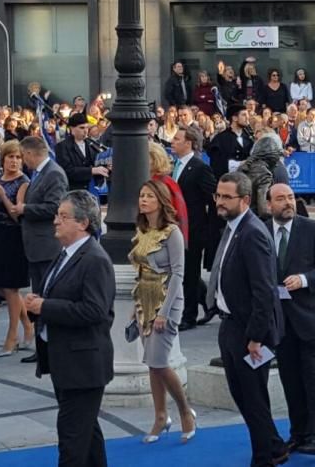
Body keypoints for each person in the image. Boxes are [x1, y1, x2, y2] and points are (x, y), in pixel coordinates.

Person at [26, 190, 115, 467]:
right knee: (86, 434)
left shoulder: (94, 260)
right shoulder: (65, 254)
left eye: (63, 217)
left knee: (72, 441)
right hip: (66, 360)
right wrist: (36, 305)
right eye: (57, 215)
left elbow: (95, 311)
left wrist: (45, 307)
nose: (56, 221)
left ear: (83, 223)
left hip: (83, 365)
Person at [209, 171, 289, 466]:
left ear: (244, 199)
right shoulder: (232, 227)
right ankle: (275, 445)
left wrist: (256, 337)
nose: (219, 201)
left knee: (253, 398)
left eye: (226, 197)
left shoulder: (253, 232)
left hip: (249, 331)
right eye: (218, 195)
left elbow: (264, 291)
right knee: (241, 394)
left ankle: (263, 457)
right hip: (230, 323)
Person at [266, 183, 315, 455]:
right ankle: (298, 433)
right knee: (291, 380)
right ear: (268, 205)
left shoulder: (313, 229)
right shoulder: (262, 231)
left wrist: (305, 279)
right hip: (281, 323)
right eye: (280, 199)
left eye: (290, 198)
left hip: (313, 319)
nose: (287, 203)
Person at [130, 180, 196, 444]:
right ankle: (160, 416)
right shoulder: (141, 230)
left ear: (160, 200)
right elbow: (139, 270)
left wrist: (164, 312)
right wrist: (134, 310)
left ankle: (184, 410)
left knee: (158, 361)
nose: (143, 200)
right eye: (141, 195)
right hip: (143, 300)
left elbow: (179, 273)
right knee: (151, 362)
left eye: (148, 196)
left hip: (167, 300)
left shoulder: (172, 233)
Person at [18, 136, 69, 364]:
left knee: (45, 297)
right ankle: (42, 347)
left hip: (47, 246)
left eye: (23, 155)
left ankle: (48, 347)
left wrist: (26, 208)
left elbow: (54, 207)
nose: (22, 160)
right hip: (36, 246)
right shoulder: (40, 173)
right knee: (37, 295)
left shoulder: (53, 173)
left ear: (30, 153)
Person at [0, 140, 34, 356]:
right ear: (3, 158)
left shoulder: (23, 181)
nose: (14, 161)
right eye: (10, 157)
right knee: (6, 288)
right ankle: (27, 327)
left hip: (14, 236)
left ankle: (12, 335)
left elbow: (17, 215)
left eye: (18, 157)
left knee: (11, 288)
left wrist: (3, 196)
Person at [171, 126, 217, 330]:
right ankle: (209, 302)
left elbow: (213, 197)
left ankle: (189, 316)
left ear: (188, 143)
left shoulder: (199, 167)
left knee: (189, 273)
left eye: (177, 139)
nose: (172, 141)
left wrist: (209, 226)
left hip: (194, 229)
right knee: (185, 271)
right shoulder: (177, 165)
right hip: (178, 227)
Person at [148, 142, 189, 243]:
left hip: (162, 236)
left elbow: (173, 212)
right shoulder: (146, 180)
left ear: (154, 159)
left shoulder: (165, 183)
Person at [56, 113, 109, 191]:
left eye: (87, 128)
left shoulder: (91, 144)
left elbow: (97, 162)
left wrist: (106, 166)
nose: (85, 131)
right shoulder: (62, 146)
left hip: (92, 190)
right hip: (73, 191)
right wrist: (92, 170)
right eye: (82, 128)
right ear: (72, 129)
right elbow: (67, 171)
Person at [207, 105, 254, 179]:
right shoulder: (220, 139)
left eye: (247, 114)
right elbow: (216, 165)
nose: (247, 117)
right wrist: (240, 164)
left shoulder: (250, 138)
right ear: (234, 118)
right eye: (244, 115)